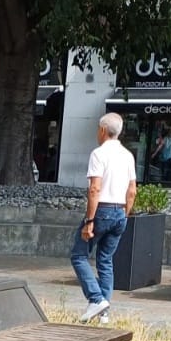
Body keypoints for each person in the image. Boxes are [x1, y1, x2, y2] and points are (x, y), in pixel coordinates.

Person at [71, 113, 137, 322]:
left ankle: (96, 298)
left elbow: (94, 189)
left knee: (79, 255)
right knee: (105, 260)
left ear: (102, 130)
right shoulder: (128, 155)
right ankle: (104, 311)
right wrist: (124, 214)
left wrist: (89, 221)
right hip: (120, 211)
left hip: (102, 210)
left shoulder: (98, 154)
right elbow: (132, 190)